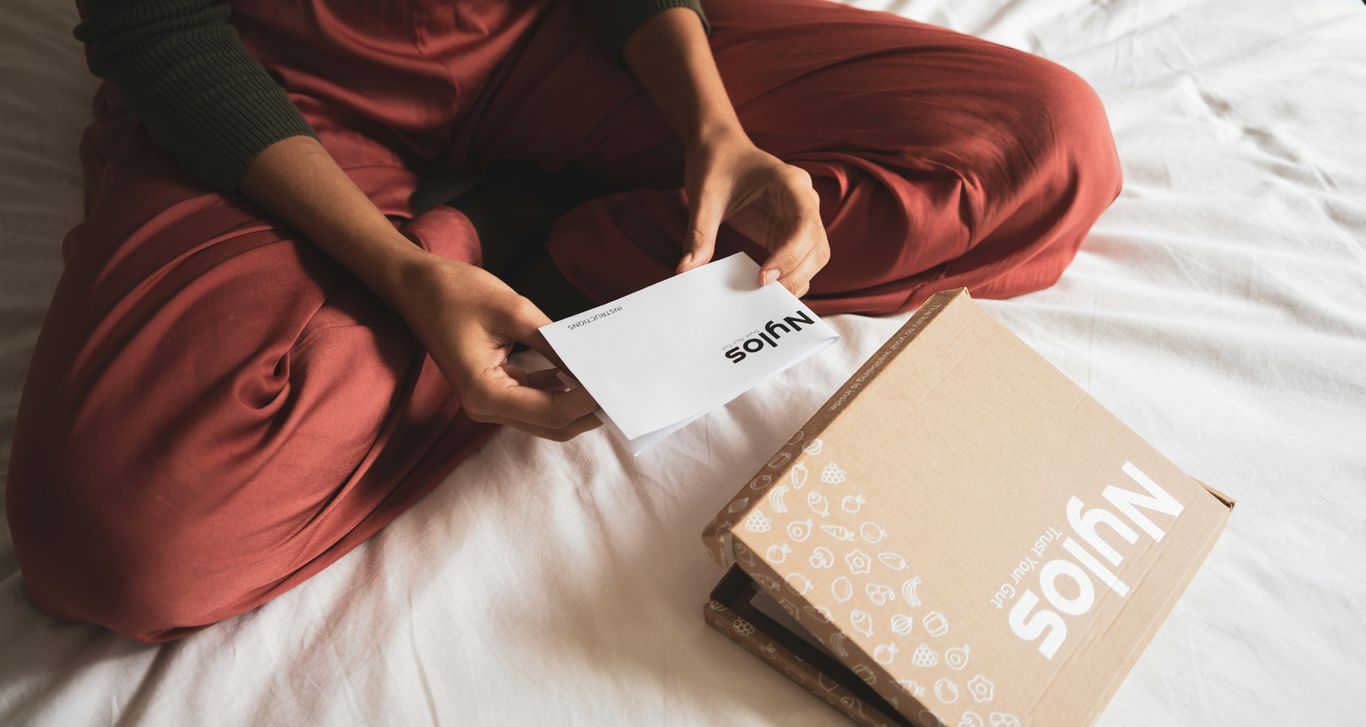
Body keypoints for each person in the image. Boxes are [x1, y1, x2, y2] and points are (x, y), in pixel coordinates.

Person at [5, 0, 1123, 643]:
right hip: (272, 84)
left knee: (1044, 146)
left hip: (557, 31)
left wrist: (713, 131)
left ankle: (564, 254)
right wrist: (412, 268)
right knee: (122, 545)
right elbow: (159, 28)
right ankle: (504, 249)